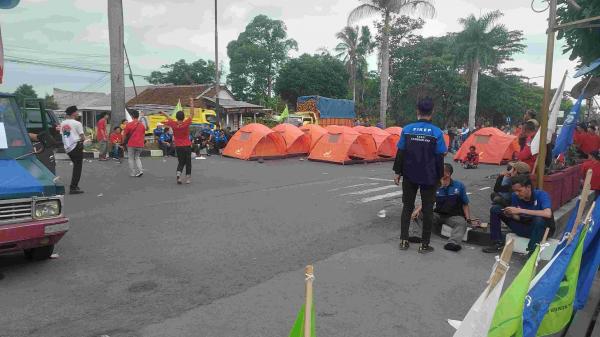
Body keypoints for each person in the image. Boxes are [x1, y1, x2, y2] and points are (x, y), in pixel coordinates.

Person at [393, 97, 447, 254]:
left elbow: (401, 152)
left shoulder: (407, 129)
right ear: (432, 112)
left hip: (409, 174)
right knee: (428, 209)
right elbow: (439, 157)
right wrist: (440, 176)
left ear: (417, 111)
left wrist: (398, 173)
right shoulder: (437, 132)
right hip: (429, 176)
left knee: (407, 207)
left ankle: (403, 240)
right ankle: (424, 244)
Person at [483, 175, 555, 254]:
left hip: (541, 231)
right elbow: (519, 218)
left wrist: (520, 210)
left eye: (519, 190)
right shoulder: (515, 196)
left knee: (539, 219)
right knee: (495, 209)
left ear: (528, 187)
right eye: (514, 191)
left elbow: (548, 214)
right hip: (524, 227)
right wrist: (510, 214)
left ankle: (531, 251)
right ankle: (497, 243)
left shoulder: (541, 195)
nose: (517, 193)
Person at [410, 163, 472, 252]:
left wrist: (468, 219)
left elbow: (465, 204)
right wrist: (417, 211)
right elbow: (427, 200)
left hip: (453, 216)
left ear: (448, 174)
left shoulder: (459, 186)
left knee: (462, 223)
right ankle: (417, 235)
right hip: (437, 214)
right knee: (418, 213)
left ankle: (453, 243)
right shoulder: (435, 185)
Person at [160, 104, 195, 184]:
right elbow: (192, 114)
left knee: (181, 162)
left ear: (176, 117)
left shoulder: (173, 124)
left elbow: (168, 117)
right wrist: (191, 101)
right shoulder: (186, 123)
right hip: (187, 145)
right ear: (183, 117)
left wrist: (163, 112)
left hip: (178, 146)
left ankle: (178, 176)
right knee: (188, 162)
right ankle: (188, 179)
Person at [60, 106, 85, 194]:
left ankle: (74, 186)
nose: (78, 113)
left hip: (68, 148)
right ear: (73, 113)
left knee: (76, 166)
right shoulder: (77, 123)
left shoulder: (63, 123)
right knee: (78, 168)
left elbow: (64, 135)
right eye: (77, 112)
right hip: (76, 146)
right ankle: (73, 187)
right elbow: (82, 137)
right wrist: (84, 140)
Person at [123, 109, 146, 177]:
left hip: (131, 144)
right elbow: (143, 135)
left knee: (130, 158)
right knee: (137, 157)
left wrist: (123, 142)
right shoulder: (142, 125)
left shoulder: (129, 125)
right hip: (140, 144)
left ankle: (133, 172)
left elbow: (125, 135)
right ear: (138, 116)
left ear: (132, 116)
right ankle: (140, 170)